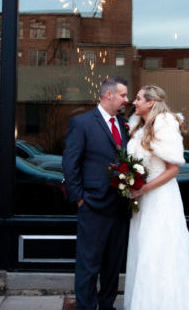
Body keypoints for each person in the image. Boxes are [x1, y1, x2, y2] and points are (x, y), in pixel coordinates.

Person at [123, 85, 189, 310]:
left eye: (138, 98)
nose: (134, 102)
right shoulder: (138, 126)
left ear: (151, 102)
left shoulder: (165, 124)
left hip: (161, 198)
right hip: (143, 199)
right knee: (144, 250)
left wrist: (142, 189)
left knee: (160, 249)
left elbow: (173, 170)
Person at [63, 77, 132, 310]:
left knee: (113, 264)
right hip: (92, 205)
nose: (126, 100)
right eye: (123, 95)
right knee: (88, 264)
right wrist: (80, 199)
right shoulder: (82, 123)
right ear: (108, 95)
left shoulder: (124, 125)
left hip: (120, 207)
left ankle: (107, 305)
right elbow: (70, 164)